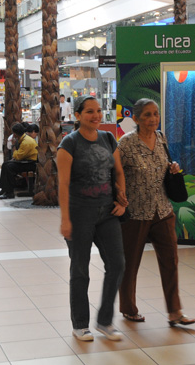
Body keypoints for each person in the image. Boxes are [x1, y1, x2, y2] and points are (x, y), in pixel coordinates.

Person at [117, 98, 195, 327]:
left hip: (162, 211)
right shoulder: (126, 144)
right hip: (135, 213)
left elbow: (164, 167)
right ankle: (128, 308)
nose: (153, 119)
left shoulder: (161, 138)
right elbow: (115, 173)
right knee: (130, 263)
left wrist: (173, 168)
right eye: (147, 115)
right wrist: (118, 195)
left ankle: (175, 312)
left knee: (170, 261)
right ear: (136, 118)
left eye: (156, 114)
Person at [57, 95, 127, 342]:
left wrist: (122, 200)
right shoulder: (69, 144)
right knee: (80, 270)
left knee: (117, 264)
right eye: (89, 112)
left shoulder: (108, 138)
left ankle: (105, 321)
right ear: (77, 115)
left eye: (98, 111)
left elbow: (118, 172)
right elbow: (63, 184)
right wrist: (65, 219)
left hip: (107, 213)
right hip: (79, 214)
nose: (96, 115)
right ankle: (80, 325)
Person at [0, 122, 37, 199]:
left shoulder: (26, 142)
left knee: (9, 167)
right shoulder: (24, 139)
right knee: (5, 164)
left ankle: (10, 193)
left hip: (31, 164)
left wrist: (13, 145)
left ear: (15, 134)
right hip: (26, 161)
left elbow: (18, 157)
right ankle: (4, 189)